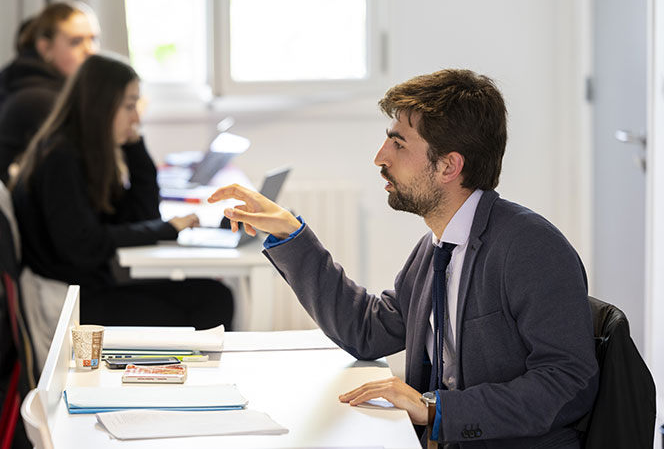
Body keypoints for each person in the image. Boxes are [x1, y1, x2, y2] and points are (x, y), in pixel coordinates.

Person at [209, 69, 598, 447]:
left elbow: (567, 382)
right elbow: (367, 330)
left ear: (449, 165)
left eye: (398, 144)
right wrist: (290, 233)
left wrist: (435, 408)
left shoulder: (531, 247)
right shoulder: (438, 246)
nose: (380, 157)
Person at [12, 53, 233, 329]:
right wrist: (166, 229)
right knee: (212, 302)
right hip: (74, 302)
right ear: (100, 107)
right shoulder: (61, 159)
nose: (137, 117)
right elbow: (84, 245)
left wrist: (134, 144)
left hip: (89, 290)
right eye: (130, 106)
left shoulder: (81, 152)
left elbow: (139, 215)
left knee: (213, 296)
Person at [0, 1, 100, 182]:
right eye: (76, 42)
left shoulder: (31, 84)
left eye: (93, 39)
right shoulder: (40, 98)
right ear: (45, 48)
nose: (90, 50)